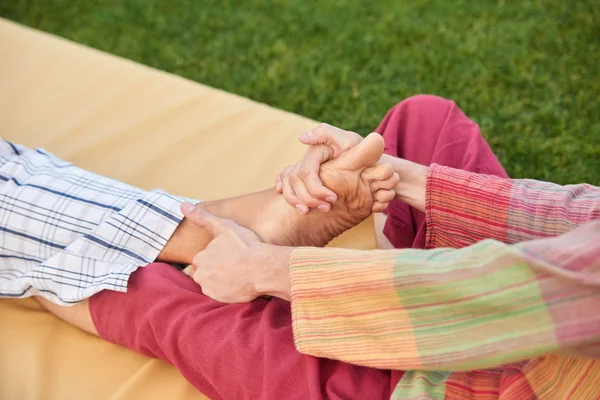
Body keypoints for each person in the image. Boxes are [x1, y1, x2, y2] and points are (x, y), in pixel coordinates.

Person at [4, 95, 600, 399]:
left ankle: (61, 254)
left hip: (479, 381)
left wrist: (279, 271)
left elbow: (506, 300)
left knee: (162, 305)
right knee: (426, 121)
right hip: (529, 305)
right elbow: (583, 223)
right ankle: (221, 233)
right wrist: (396, 174)